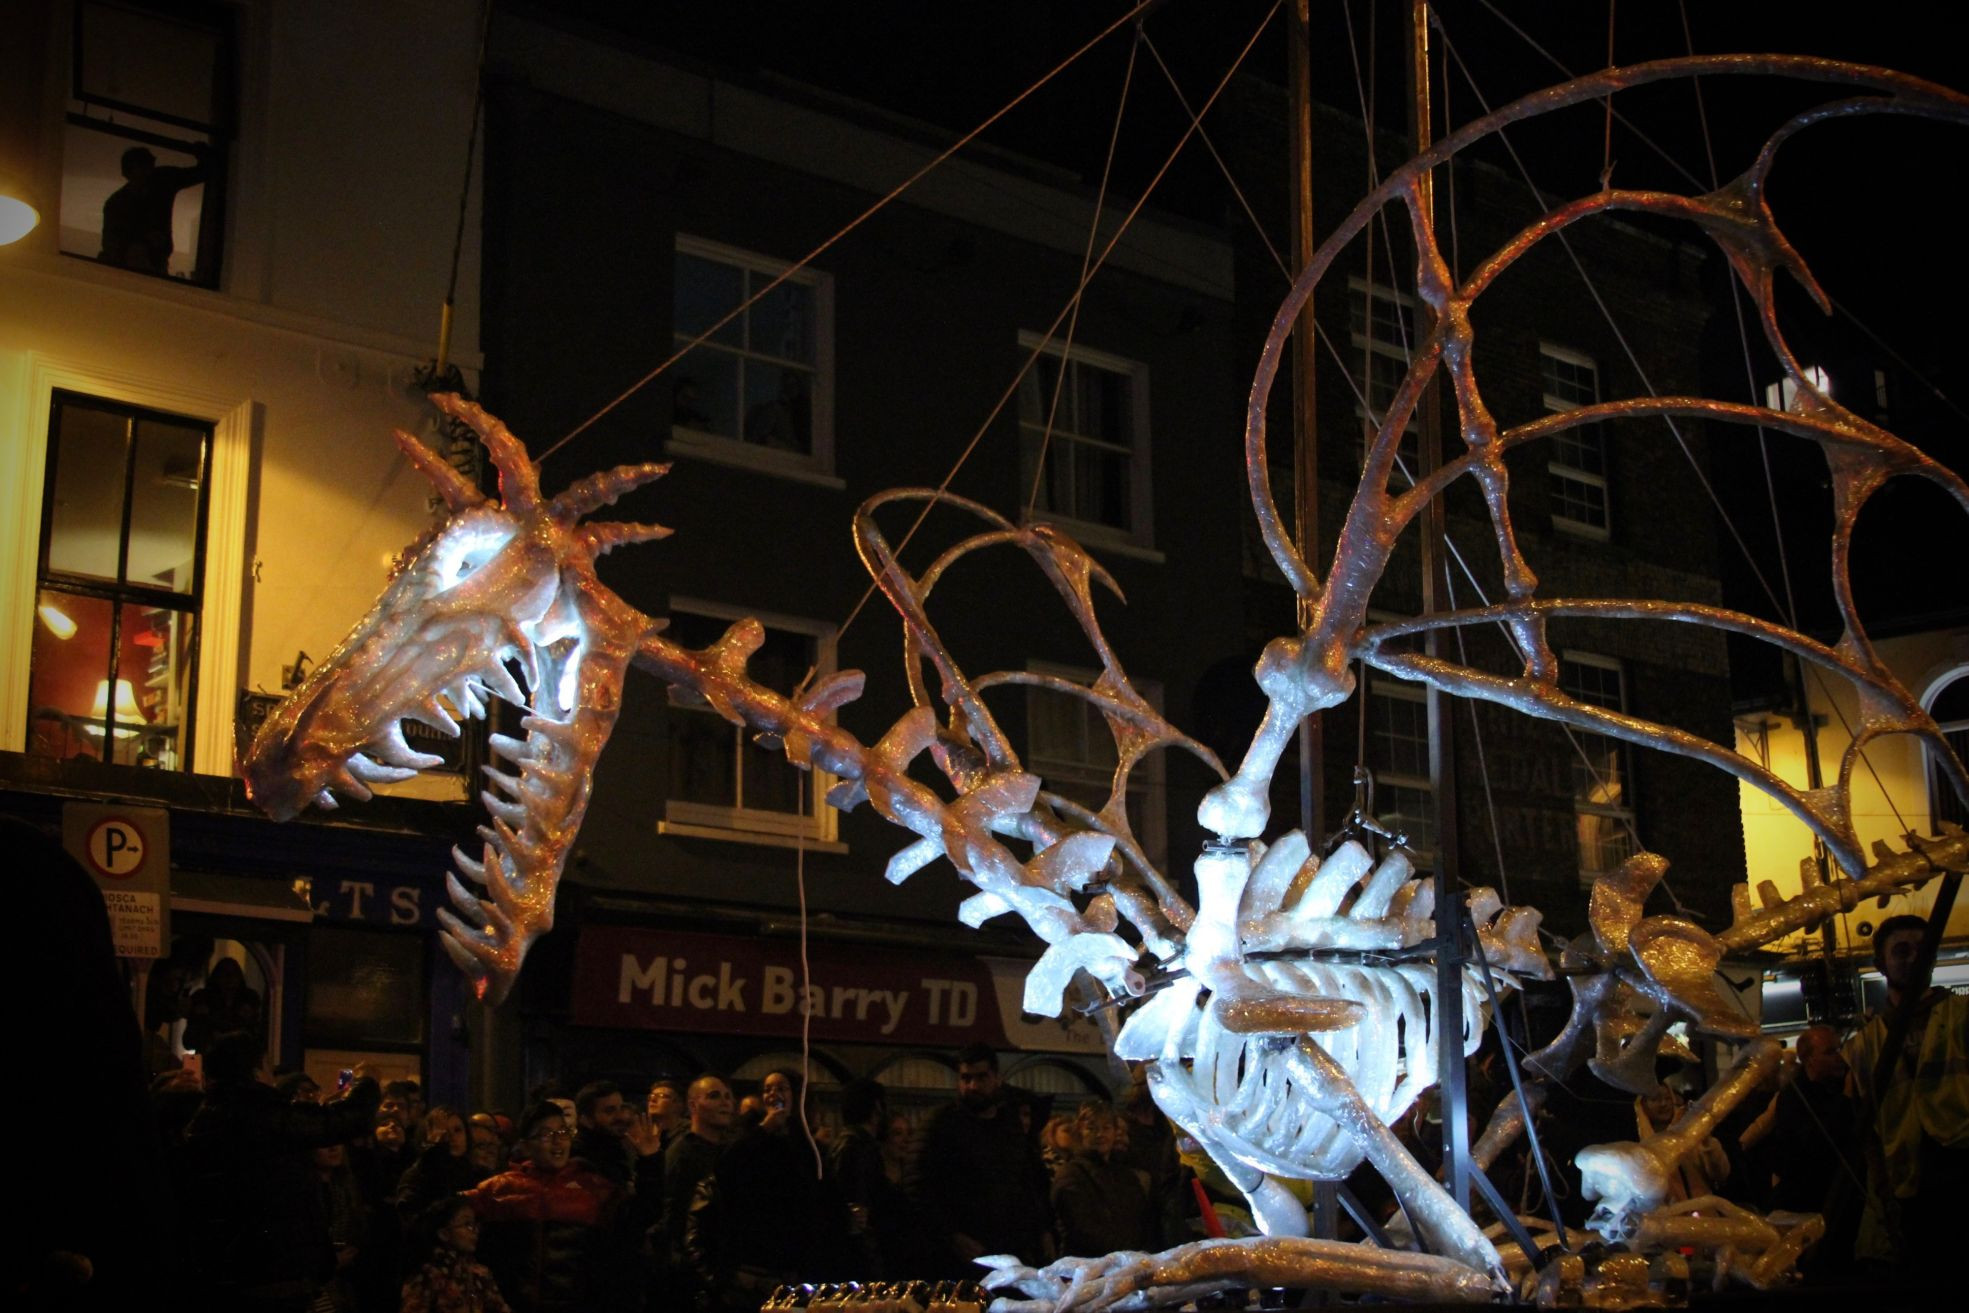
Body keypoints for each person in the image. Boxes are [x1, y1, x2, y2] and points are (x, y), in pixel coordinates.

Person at [176, 1032, 381, 1310]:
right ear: (256, 1071)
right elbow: (343, 1121)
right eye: (269, 1069)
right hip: (272, 1273)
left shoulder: (202, 1120)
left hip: (219, 1272)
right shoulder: (263, 1116)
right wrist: (366, 1082)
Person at [1843, 914, 1969, 1275]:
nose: (1914, 958)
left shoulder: (1961, 1015)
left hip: (1961, 1163)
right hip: (1909, 1181)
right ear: (1881, 963)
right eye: (1902, 950)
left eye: (1922, 949)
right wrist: (1881, 1193)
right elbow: (1866, 1129)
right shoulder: (1863, 1045)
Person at [685, 1069, 853, 1309]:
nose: (773, 1093)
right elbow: (726, 1168)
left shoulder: (805, 1145)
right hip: (752, 1270)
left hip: (794, 1270)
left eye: (781, 1088)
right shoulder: (749, 1135)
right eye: (767, 1089)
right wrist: (766, 1127)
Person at [463, 1102, 623, 1313]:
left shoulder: (594, 1188)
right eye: (546, 1134)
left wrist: (650, 1163)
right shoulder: (498, 1188)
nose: (558, 1141)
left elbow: (633, 1230)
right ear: (526, 1145)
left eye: (563, 1132)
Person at [910, 1044, 1053, 1275]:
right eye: (966, 1078)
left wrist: (1042, 1230)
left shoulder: (1009, 1125)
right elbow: (918, 1186)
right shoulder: (940, 1124)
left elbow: (1026, 1183)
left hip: (1009, 1248)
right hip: (960, 1253)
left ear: (996, 1078)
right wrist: (951, 1234)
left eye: (981, 1077)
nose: (973, 1086)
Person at [657, 1074, 736, 1308]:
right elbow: (674, 1216)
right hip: (692, 1275)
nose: (725, 1103)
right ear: (693, 1105)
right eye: (714, 1096)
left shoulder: (729, 1150)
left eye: (728, 1097)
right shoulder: (683, 1154)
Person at [1051, 1102, 1155, 1258]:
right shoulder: (1071, 1173)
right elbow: (1081, 1227)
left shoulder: (1124, 1175)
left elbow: (1141, 1218)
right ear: (1080, 1132)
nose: (1100, 1134)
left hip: (1127, 1261)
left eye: (1106, 1128)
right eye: (1091, 1128)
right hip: (1088, 1265)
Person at [829, 1078, 911, 1276]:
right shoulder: (860, 1146)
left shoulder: (847, 1143)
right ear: (876, 1109)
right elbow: (859, 1206)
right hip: (861, 1257)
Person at [98, 142, 208, 275]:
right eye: (142, 168)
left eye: (148, 167)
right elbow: (111, 243)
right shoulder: (117, 204)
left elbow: (202, 172)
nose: (147, 173)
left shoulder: (117, 203)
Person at [400, 1195, 511, 1313]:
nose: (475, 1231)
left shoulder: (480, 1273)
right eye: (467, 1225)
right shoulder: (430, 1274)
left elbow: (500, 1308)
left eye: (474, 1225)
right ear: (444, 1234)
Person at [647, 1079, 688, 1150]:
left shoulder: (689, 1135)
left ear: (679, 1104)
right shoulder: (645, 1132)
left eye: (661, 1096)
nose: (652, 1099)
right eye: (651, 1096)